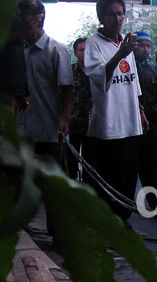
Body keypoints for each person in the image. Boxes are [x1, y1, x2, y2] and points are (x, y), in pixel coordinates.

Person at [83, 0, 148, 224]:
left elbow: (133, 82)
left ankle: (123, 223)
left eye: (121, 14)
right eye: (112, 14)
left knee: (128, 179)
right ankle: (108, 225)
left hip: (130, 123)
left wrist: (140, 110)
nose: (118, 19)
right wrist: (120, 54)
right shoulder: (94, 43)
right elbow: (98, 77)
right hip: (109, 126)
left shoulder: (126, 44)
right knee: (109, 179)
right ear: (101, 18)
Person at [16, 0, 73, 163]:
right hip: (22, 132)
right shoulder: (18, 50)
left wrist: (66, 120)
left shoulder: (56, 50)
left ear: (38, 18)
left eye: (23, 14)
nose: (18, 19)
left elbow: (67, 89)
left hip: (50, 132)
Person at [133, 31, 157, 213]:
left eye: (148, 46)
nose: (145, 49)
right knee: (135, 167)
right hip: (132, 127)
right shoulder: (126, 68)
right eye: (142, 45)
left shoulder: (153, 71)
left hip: (153, 125)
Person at [68, 37, 92, 180]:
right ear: (76, 53)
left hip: (93, 124)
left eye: (87, 50)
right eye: (81, 50)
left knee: (91, 164)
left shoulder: (97, 71)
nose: (84, 53)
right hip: (73, 123)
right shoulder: (69, 71)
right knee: (71, 162)